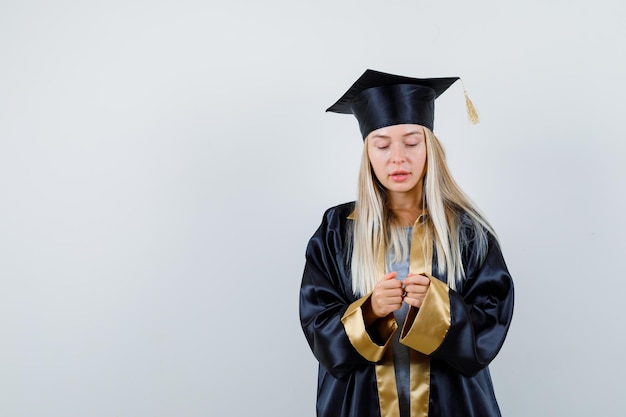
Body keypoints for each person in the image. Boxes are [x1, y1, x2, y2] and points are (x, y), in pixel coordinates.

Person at [299, 69, 514, 417]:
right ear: (367, 152)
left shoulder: (467, 231)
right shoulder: (337, 231)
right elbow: (319, 332)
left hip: (453, 405)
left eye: (412, 142)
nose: (397, 157)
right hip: (359, 405)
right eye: (382, 145)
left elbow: (490, 327)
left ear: (430, 147)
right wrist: (369, 311)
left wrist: (437, 309)